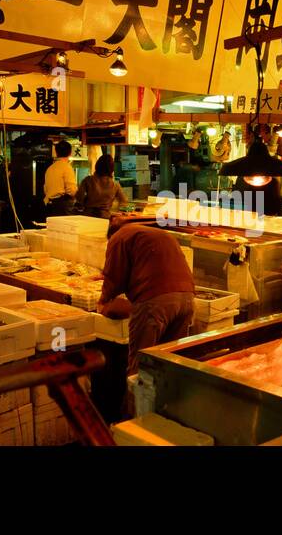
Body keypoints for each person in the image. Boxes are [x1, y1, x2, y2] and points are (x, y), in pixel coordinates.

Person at [94, 223, 195, 423]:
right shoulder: (155, 234)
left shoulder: (119, 237)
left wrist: (103, 301)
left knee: (140, 366)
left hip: (155, 301)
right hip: (187, 299)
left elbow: (114, 276)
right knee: (169, 363)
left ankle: (134, 424)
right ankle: (168, 419)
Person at [74, 154, 126, 219]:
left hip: (88, 216)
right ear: (112, 168)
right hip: (105, 217)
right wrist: (117, 212)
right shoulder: (115, 185)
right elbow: (124, 202)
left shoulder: (88, 180)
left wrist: (86, 202)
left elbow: (79, 197)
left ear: (97, 165)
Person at [42, 140, 76, 217]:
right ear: (70, 152)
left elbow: (45, 189)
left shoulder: (50, 168)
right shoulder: (67, 167)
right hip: (63, 206)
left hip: (49, 205)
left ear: (56, 153)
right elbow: (72, 190)